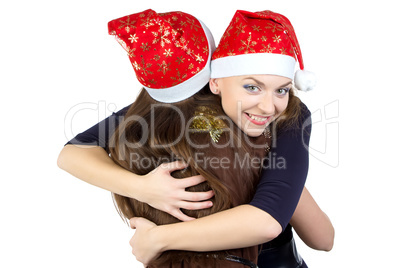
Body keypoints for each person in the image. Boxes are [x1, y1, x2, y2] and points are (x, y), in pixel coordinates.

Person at [57, 9, 334, 268]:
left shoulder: (286, 118)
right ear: (214, 82)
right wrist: (144, 189)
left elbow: (310, 235)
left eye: (283, 90)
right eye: (251, 87)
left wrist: (158, 238)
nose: (267, 106)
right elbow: (72, 153)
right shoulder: (172, 108)